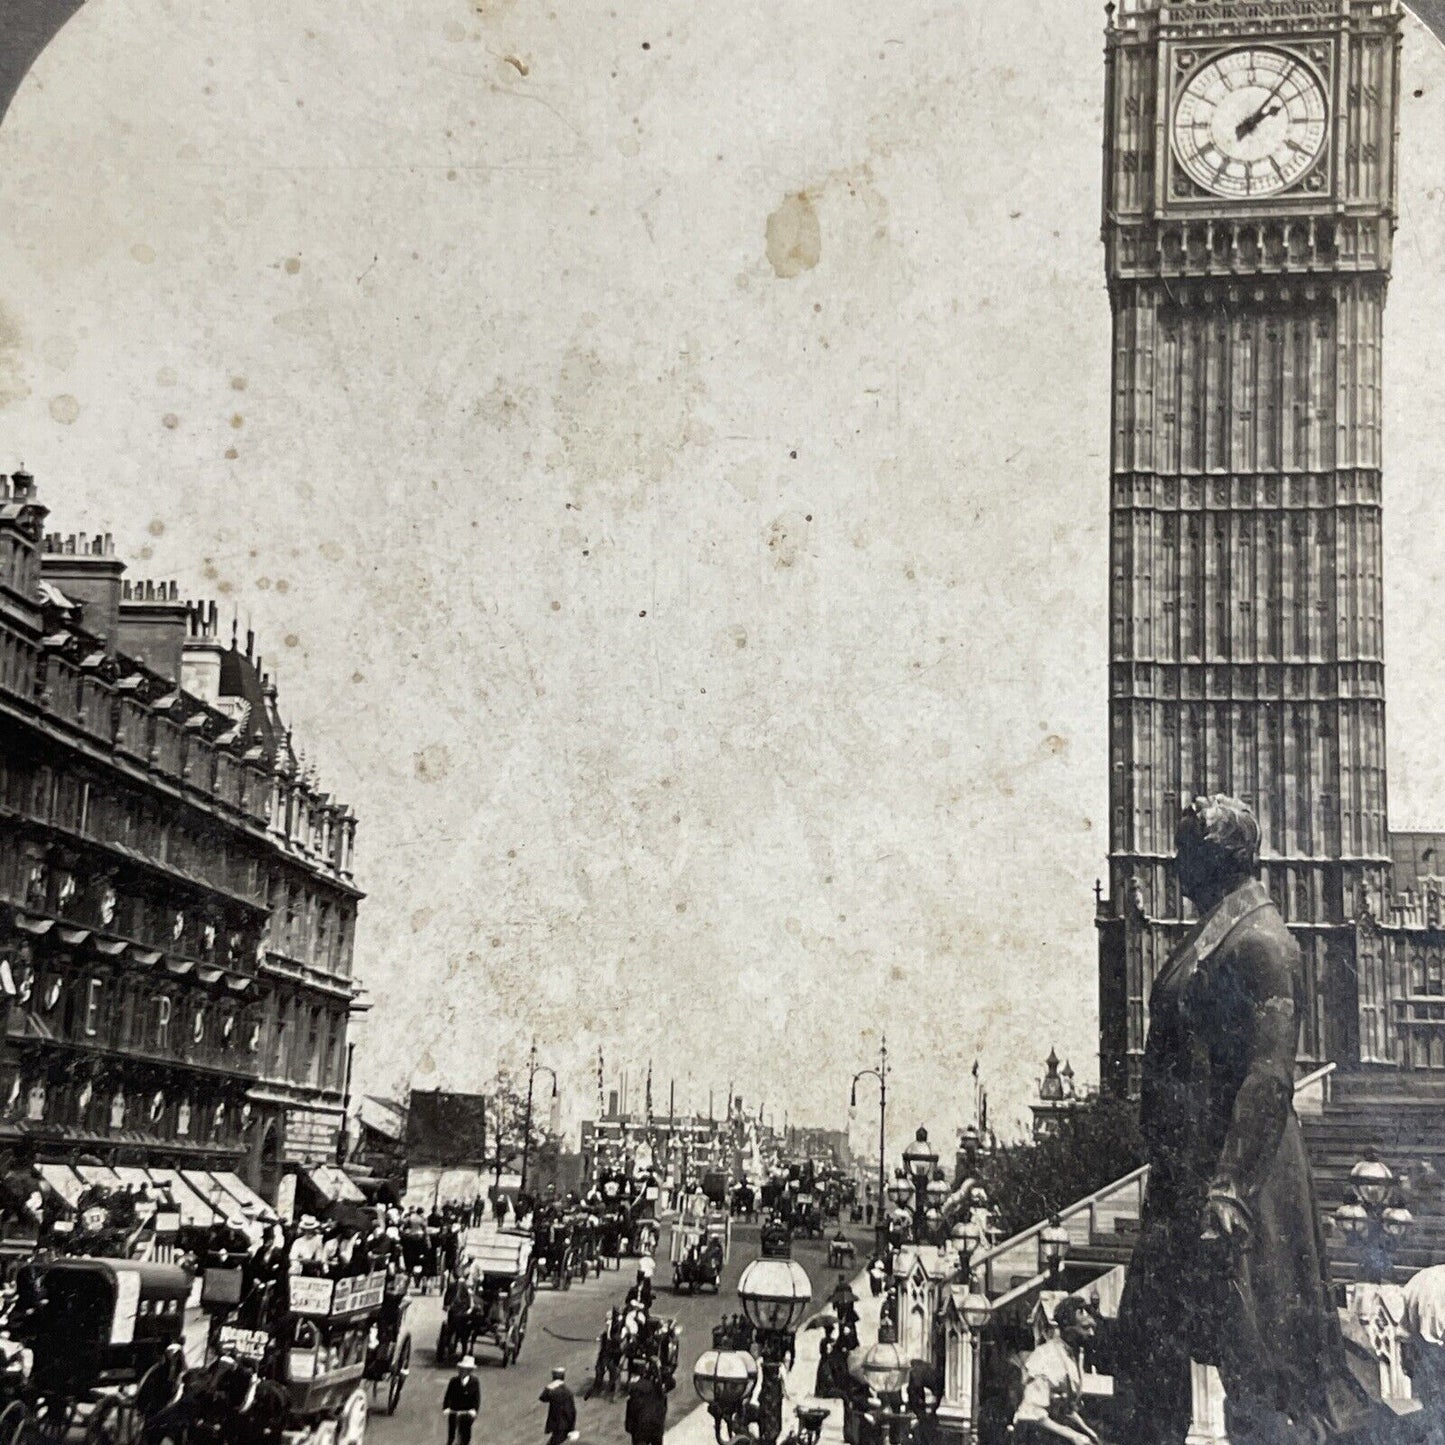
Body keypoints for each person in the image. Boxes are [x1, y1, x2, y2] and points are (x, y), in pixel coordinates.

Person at [1113, 796, 1380, 1445]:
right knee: (1145, 1361)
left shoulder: (1261, 939)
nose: (1174, 866)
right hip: (1182, 1180)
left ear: (1214, 856)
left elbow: (1268, 1075)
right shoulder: (1214, 930)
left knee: (1263, 1376)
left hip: (1234, 1186)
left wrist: (1229, 1189)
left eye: (1183, 852)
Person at [1012, 1297, 1100, 1445]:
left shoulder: (1072, 1356)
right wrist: (1073, 1436)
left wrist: (1088, 1432)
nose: (1091, 1333)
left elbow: (1067, 1410)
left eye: (1092, 1327)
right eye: (1085, 1328)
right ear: (1067, 1329)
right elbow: (1030, 1412)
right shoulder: (1046, 1357)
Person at [1405, 1263, 1445, 1445]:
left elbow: (1405, 1332)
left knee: (1432, 1410)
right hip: (1433, 1354)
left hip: (1423, 1355)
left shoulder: (1422, 1278)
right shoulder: (1430, 1279)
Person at [624, 1362, 672, 1445]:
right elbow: (671, 1383)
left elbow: (632, 1409)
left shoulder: (636, 1388)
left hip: (641, 1427)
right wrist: (660, 1367)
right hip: (656, 1425)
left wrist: (630, 1428)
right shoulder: (659, 1389)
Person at [442, 1354, 481, 1445]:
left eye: (465, 1370)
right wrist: (446, 1407)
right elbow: (448, 1396)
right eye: (461, 1369)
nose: (462, 1371)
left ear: (470, 1371)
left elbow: (477, 1398)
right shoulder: (454, 1381)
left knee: (465, 1436)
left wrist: (474, 1410)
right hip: (454, 1411)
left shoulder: (474, 1382)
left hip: (467, 1413)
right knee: (452, 1436)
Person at [539, 1365, 578, 1445]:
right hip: (563, 1425)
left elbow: (543, 1398)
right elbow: (571, 1411)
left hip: (560, 1425)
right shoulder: (567, 1391)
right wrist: (572, 1427)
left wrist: (548, 1388)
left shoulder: (553, 1390)